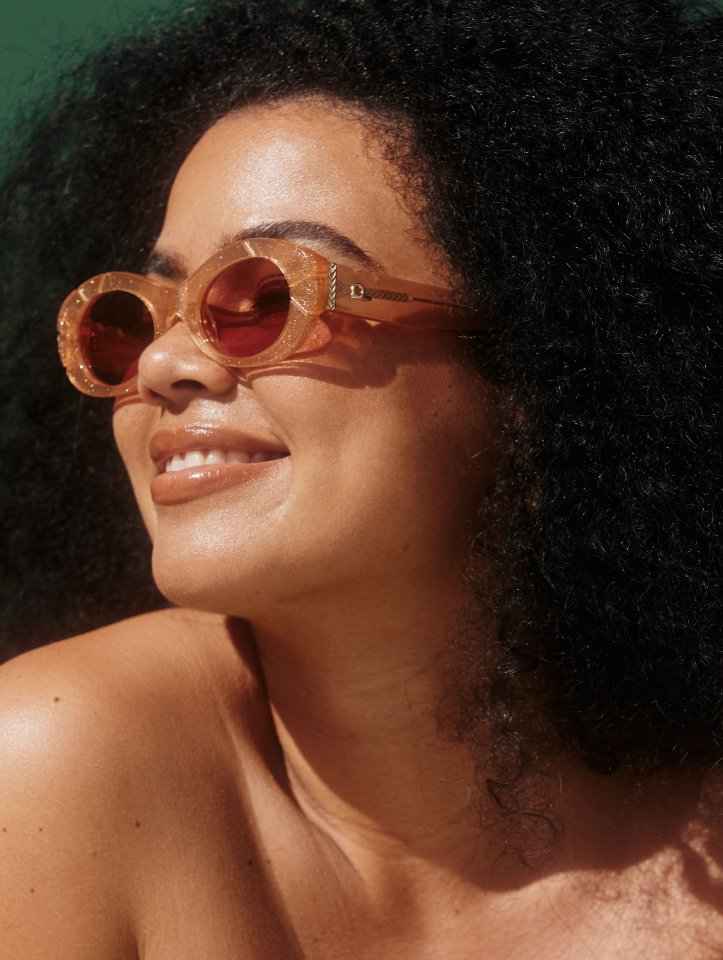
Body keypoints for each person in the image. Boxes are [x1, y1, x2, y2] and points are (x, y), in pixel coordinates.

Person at [0, 0, 721, 955]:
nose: (165, 364)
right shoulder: (51, 760)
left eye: (266, 297)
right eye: (137, 317)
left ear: (544, 370)